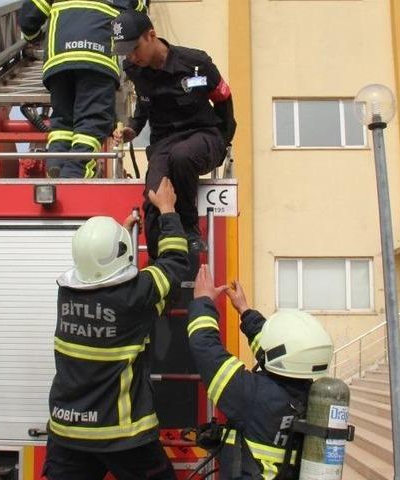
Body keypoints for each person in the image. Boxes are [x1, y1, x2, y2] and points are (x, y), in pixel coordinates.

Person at [45, 177, 188, 479]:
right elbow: (175, 264)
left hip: (67, 432)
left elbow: (105, 284)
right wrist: (167, 209)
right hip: (123, 435)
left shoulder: (66, 293)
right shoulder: (134, 295)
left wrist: (118, 245)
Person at [187, 265, 333, 479]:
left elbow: (205, 347)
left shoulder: (251, 395)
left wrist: (203, 301)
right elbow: (272, 353)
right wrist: (245, 310)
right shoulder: (309, 394)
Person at [110, 10, 237, 258]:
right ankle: (161, 261)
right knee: (154, 195)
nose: (131, 56)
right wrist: (132, 129)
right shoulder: (134, 69)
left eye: (134, 48)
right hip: (164, 143)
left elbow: (224, 100)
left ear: (151, 35)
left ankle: (190, 231)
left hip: (203, 134)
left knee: (182, 156)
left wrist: (223, 142)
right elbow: (144, 104)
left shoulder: (196, 64)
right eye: (125, 52)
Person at [18, 0, 147, 179]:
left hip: (59, 59)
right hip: (97, 58)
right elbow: (140, 17)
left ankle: (57, 163)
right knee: (93, 121)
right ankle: (76, 171)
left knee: (63, 121)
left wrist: (34, 37)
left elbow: (28, 19)